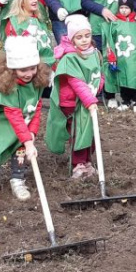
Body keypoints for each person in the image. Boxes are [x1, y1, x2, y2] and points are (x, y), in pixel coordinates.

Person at [0, 36, 50, 200]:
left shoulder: (36, 82)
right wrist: (28, 141)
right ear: (12, 69)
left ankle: (18, 180)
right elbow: (14, 116)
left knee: (19, 149)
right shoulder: (9, 86)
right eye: (23, 70)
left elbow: (36, 107)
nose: (29, 74)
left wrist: (32, 133)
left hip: (21, 122)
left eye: (32, 68)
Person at [45, 15, 104, 179]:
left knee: (89, 131)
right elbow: (76, 82)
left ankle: (87, 162)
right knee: (78, 132)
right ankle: (78, 164)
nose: (84, 40)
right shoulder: (70, 57)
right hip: (71, 103)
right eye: (79, 37)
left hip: (85, 101)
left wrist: (98, 86)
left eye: (87, 36)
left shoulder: (94, 53)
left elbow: (98, 74)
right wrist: (91, 100)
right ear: (72, 39)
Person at [102, 0, 136, 112]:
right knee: (123, 77)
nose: (124, 10)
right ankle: (125, 100)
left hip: (134, 57)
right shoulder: (115, 21)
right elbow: (110, 37)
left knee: (135, 75)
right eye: (121, 8)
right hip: (122, 57)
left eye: (126, 8)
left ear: (131, 8)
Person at [5, 0, 55, 66]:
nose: (35, 0)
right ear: (22, 2)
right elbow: (13, 48)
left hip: (48, 63)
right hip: (28, 65)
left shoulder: (40, 21)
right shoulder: (14, 23)